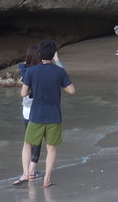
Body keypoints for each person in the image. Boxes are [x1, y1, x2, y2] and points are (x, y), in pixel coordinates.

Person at [14, 40, 74, 188]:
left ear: (40, 54)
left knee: (28, 145)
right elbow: (71, 90)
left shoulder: (32, 71)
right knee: (51, 148)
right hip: (54, 116)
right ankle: (47, 179)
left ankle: (26, 174)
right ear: (53, 55)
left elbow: (23, 93)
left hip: (36, 116)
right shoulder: (60, 72)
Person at [17, 44, 44, 180]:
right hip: (38, 108)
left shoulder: (25, 70)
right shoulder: (40, 71)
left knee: (28, 141)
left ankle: (25, 172)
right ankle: (32, 171)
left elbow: (24, 92)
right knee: (37, 140)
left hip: (26, 109)